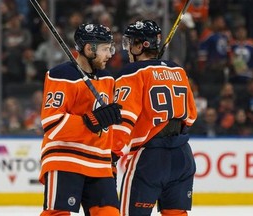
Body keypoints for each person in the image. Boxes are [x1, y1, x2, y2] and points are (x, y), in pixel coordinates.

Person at [112, 20, 197, 216]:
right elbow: (191, 116)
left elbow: (124, 118)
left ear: (142, 45)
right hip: (183, 155)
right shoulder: (178, 70)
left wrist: (112, 153)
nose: (128, 48)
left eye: (131, 43)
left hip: (149, 157)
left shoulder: (131, 72)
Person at [39, 23, 122, 216]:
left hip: (100, 162)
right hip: (65, 157)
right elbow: (51, 123)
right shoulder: (61, 75)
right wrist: (90, 121)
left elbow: (109, 124)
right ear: (88, 48)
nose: (110, 54)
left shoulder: (108, 79)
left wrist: (112, 156)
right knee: (57, 213)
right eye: (105, 49)